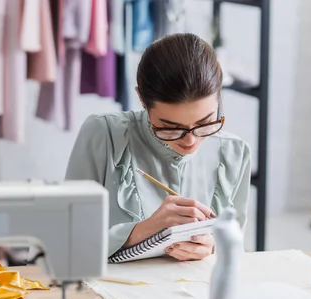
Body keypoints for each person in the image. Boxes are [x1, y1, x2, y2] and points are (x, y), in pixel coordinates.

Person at [65, 33, 251, 262]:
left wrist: (212, 247)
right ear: (142, 100)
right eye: (170, 128)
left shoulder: (234, 153)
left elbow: (235, 249)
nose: (190, 141)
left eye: (205, 124)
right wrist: (145, 230)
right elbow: (65, 244)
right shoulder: (105, 134)